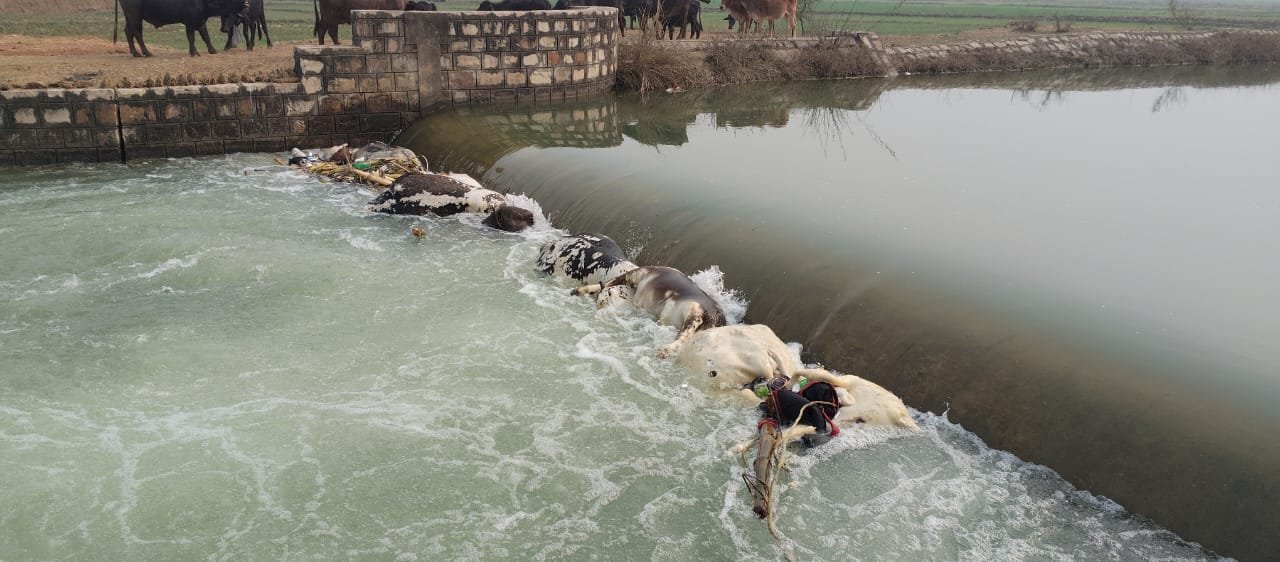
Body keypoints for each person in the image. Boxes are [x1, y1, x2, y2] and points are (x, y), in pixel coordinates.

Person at [745, 373, 842, 518]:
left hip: (799, 422)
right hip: (811, 430)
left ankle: (761, 494)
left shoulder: (785, 397)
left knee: (770, 442)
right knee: (782, 446)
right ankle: (762, 494)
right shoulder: (797, 396)